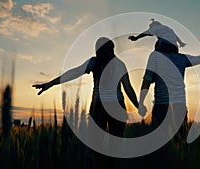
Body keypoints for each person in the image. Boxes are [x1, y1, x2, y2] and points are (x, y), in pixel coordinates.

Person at [33, 37, 139, 168]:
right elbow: (128, 88)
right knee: (114, 146)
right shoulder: (119, 64)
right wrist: (139, 106)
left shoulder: (95, 62)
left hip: (99, 107)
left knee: (96, 146)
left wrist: (50, 84)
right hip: (116, 106)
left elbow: (73, 73)